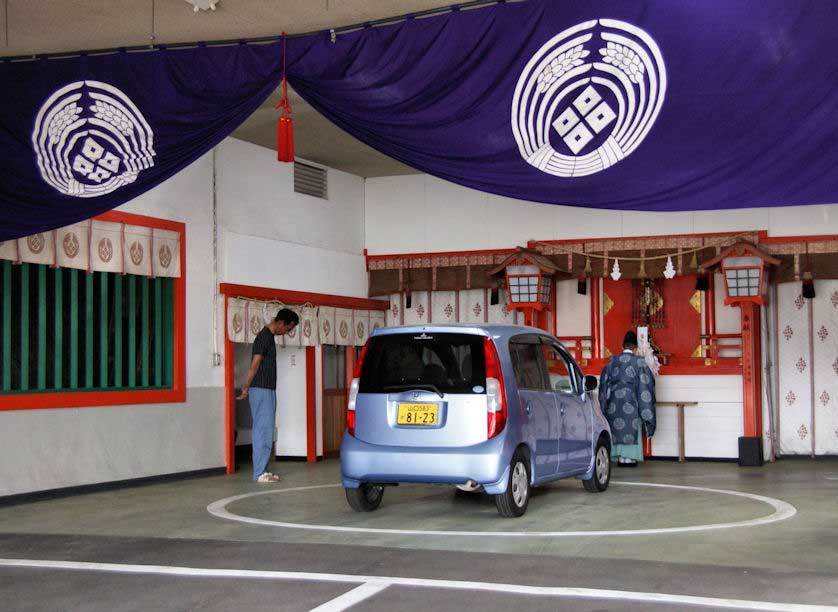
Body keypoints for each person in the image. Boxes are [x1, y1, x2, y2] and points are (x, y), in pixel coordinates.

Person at [237, 308, 299, 482]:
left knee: (266, 429)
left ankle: (262, 470)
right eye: (288, 329)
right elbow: (254, 364)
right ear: (280, 323)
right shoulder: (263, 337)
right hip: (261, 389)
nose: (286, 332)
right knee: (262, 430)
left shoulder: (269, 337)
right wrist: (246, 387)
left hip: (267, 390)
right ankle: (259, 473)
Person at [598, 330, 656, 467]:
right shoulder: (639, 362)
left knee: (615, 427)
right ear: (635, 348)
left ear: (622, 346)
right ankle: (629, 458)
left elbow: (603, 382)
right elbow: (646, 385)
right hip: (632, 400)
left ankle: (619, 457)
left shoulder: (612, 361)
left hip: (613, 401)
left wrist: (605, 402)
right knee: (631, 426)